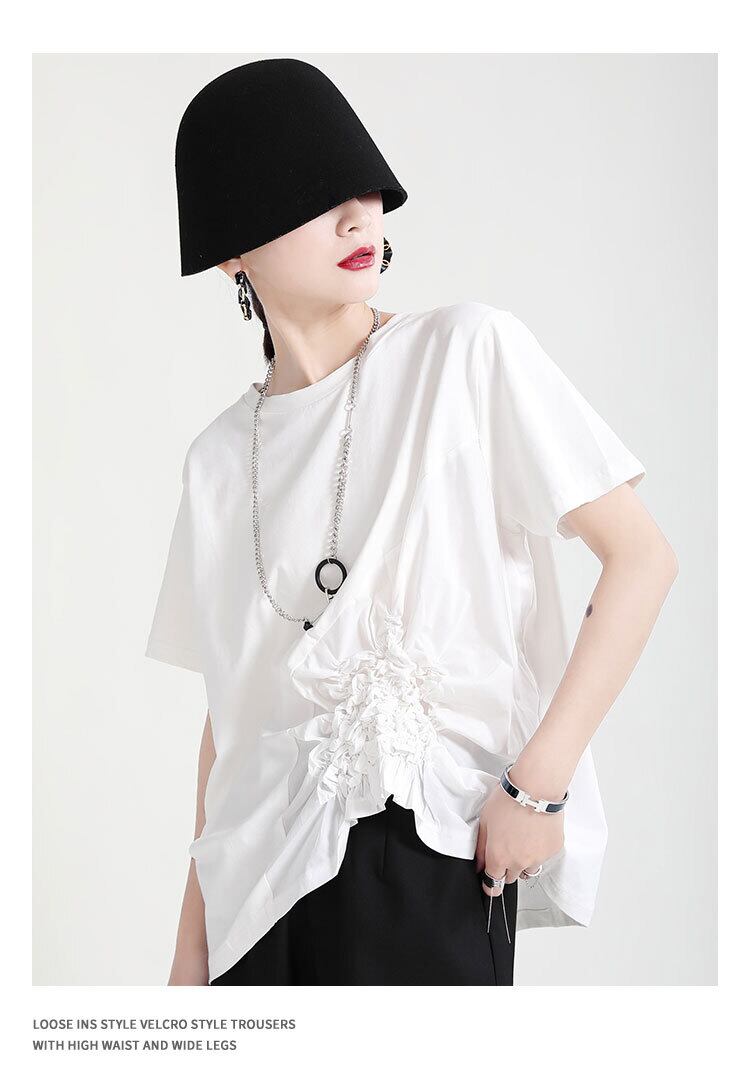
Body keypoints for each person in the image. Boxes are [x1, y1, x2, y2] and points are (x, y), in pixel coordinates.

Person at [145, 58, 678, 987]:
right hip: (251, 903)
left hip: (422, 849)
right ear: (231, 252)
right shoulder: (218, 459)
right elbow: (231, 717)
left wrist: (537, 784)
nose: (360, 218)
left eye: (367, 191)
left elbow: (642, 558)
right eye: (314, 196)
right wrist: (189, 958)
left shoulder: (462, 351)